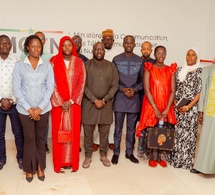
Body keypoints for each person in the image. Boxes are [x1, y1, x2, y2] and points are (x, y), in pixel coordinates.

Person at [13, 35, 54, 182]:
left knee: (40, 139)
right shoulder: (19, 65)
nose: (36, 49)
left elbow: (49, 88)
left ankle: (40, 167)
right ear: (27, 48)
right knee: (29, 139)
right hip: (25, 110)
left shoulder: (47, 65)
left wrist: (39, 108)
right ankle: (29, 170)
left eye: (39, 46)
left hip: (43, 109)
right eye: (33, 46)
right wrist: (30, 109)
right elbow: (17, 89)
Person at [136, 45, 177, 167]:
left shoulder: (171, 70)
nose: (161, 56)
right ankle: (152, 157)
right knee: (152, 130)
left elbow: (173, 91)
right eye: (159, 53)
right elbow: (147, 90)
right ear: (154, 55)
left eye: (163, 53)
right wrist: (155, 108)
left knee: (164, 130)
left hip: (166, 105)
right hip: (151, 104)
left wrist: (166, 108)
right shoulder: (149, 68)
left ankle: (161, 157)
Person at [50, 36, 86, 173]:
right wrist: (60, 101)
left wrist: (70, 101)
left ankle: (72, 162)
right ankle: (59, 163)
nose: (67, 48)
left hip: (74, 105)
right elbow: (50, 83)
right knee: (58, 134)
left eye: (69, 45)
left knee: (73, 133)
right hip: (58, 106)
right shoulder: (53, 61)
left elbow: (81, 83)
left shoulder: (79, 62)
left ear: (73, 47)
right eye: (64, 45)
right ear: (60, 46)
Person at [82, 42, 119, 168]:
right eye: (97, 49)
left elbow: (115, 85)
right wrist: (94, 99)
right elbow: (83, 85)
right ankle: (88, 156)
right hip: (89, 103)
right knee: (88, 132)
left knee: (104, 132)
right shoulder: (86, 65)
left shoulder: (111, 66)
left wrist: (104, 99)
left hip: (106, 104)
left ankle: (103, 155)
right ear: (93, 50)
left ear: (104, 51)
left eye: (101, 49)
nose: (99, 51)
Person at [111, 35, 143, 165]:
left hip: (133, 99)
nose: (129, 45)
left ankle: (129, 152)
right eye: (126, 42)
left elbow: (142, 81)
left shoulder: (140, 60)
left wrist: (134, 90)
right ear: (123, 44)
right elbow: (113, 80)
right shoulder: (116, 59)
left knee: (131, 129)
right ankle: (116, 153)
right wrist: (122, 89)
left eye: (131, 43)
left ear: (134, 45)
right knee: (118, 129)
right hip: (120, 98)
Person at [171, 48, 202, 171]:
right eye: (188, 55)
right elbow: (174, 89)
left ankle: (187, 162)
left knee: (189, 137)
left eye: (193, 55)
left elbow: (199, 93)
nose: (190, 57)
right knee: (178, 135)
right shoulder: (179, 70)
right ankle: (176, 160)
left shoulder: (200, 71)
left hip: (191, 109)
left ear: (196, 58)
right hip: (178, 108)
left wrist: (188, 106)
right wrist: (176, 105)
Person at [92, 29, 118, 152]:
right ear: (102, 41)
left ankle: (111, 141)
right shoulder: (97, 53)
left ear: (113, 41)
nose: (107, 41)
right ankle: (96, 141)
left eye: (110, 39)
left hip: (112, 93)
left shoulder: (117, 54)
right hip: (97, 93)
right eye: (105, 40)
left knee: (109, 119)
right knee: (97, 118)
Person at [0, 35, 24, 171]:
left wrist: (12, 100)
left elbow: (21, 84)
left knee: (18, 133)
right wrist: (1, 100)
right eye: (1, 43)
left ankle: (20, 157)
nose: (4, 45)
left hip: (14, 104)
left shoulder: (17, 63)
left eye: (7, 43)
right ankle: (1, 158)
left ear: (11, 46)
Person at [191, 59, 215, 174]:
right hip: (210, 111)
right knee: (206, 139)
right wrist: (200, 111)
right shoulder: (209, 71)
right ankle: (202, 167)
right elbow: (203, 92)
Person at [137, 41, 156, 158]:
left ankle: (150, 148)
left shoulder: (155, 63)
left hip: (150, 98)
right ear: (141, 50)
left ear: (151, 50)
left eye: (148, 48)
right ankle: (140, 148)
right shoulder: (137, 61)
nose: (146, 50)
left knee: (150, 123)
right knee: (140, 123)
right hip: (137, 96)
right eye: (144, 48)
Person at [35, 31, 52, 154]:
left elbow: (50, 82)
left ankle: (44, 143)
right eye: (37, 38)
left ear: (45, 41)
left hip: (44, 97)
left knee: (44, 123)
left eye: (42, 38)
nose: (40, 40)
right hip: (29, 98)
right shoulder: (24, 57)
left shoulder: (48, 57)